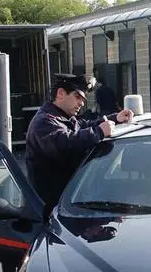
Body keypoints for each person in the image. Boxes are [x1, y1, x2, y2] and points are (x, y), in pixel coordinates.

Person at [25, 73, 134, 211]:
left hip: (67, 201)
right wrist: (98, 132)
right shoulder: (44, 122)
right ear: (60, 93)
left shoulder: (65, 118)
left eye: (83, 99)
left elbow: (85, 126)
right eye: (77, 97)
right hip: (49, 208)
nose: (81, 103)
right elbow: (65, 143)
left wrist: (115, 118)